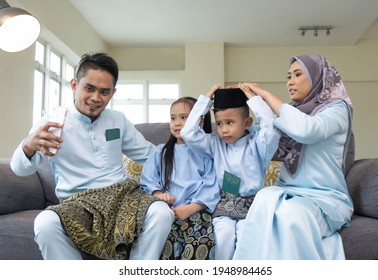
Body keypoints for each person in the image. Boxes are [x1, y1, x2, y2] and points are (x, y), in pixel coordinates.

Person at [10, 52, 174, 260]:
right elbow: (20, 169)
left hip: (122, 197)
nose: (96, 98)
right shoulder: (52, 123)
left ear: (113, 93)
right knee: (45, 223)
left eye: (104, 92)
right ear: (74, 85)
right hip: (77, 202)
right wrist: (28, 146)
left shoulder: (118, 120)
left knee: (161, 212)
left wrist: (191, 156)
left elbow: (151, 155)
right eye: (89, 88)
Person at [233, 54, 354, 260]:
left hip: (323, 199)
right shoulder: (289, 114)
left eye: (298, 74)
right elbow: (268, 141)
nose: (290, 81)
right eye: (288, 76)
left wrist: (265, 95)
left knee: (291, 216)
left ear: (318, 77)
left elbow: (307, 130)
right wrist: (252, 104)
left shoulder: (337, 108)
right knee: (260, 207)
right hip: (286, 194)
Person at [180, 86, 281, 260]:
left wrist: (254, 100)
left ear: (247, 123)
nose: (224, 130)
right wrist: (205, 100)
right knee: (223, 235)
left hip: (252, 205)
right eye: (219, 124)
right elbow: (187, 133)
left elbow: (271, 128)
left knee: (245, 237)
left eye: (230, 122)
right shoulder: (215, 144)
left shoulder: (258, 144)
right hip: (224, 204)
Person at [140, 97, 220, 260]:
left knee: (201, 243)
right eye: (173, 118)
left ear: (199, 121)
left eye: (184, 118)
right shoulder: (161, 152)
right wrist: (157, 194)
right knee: (165, 245)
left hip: (196, 211)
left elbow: (211, 184)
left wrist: (191, 208)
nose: (177, 123)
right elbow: (148, 179)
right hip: (167, 211)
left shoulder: (205, 152)